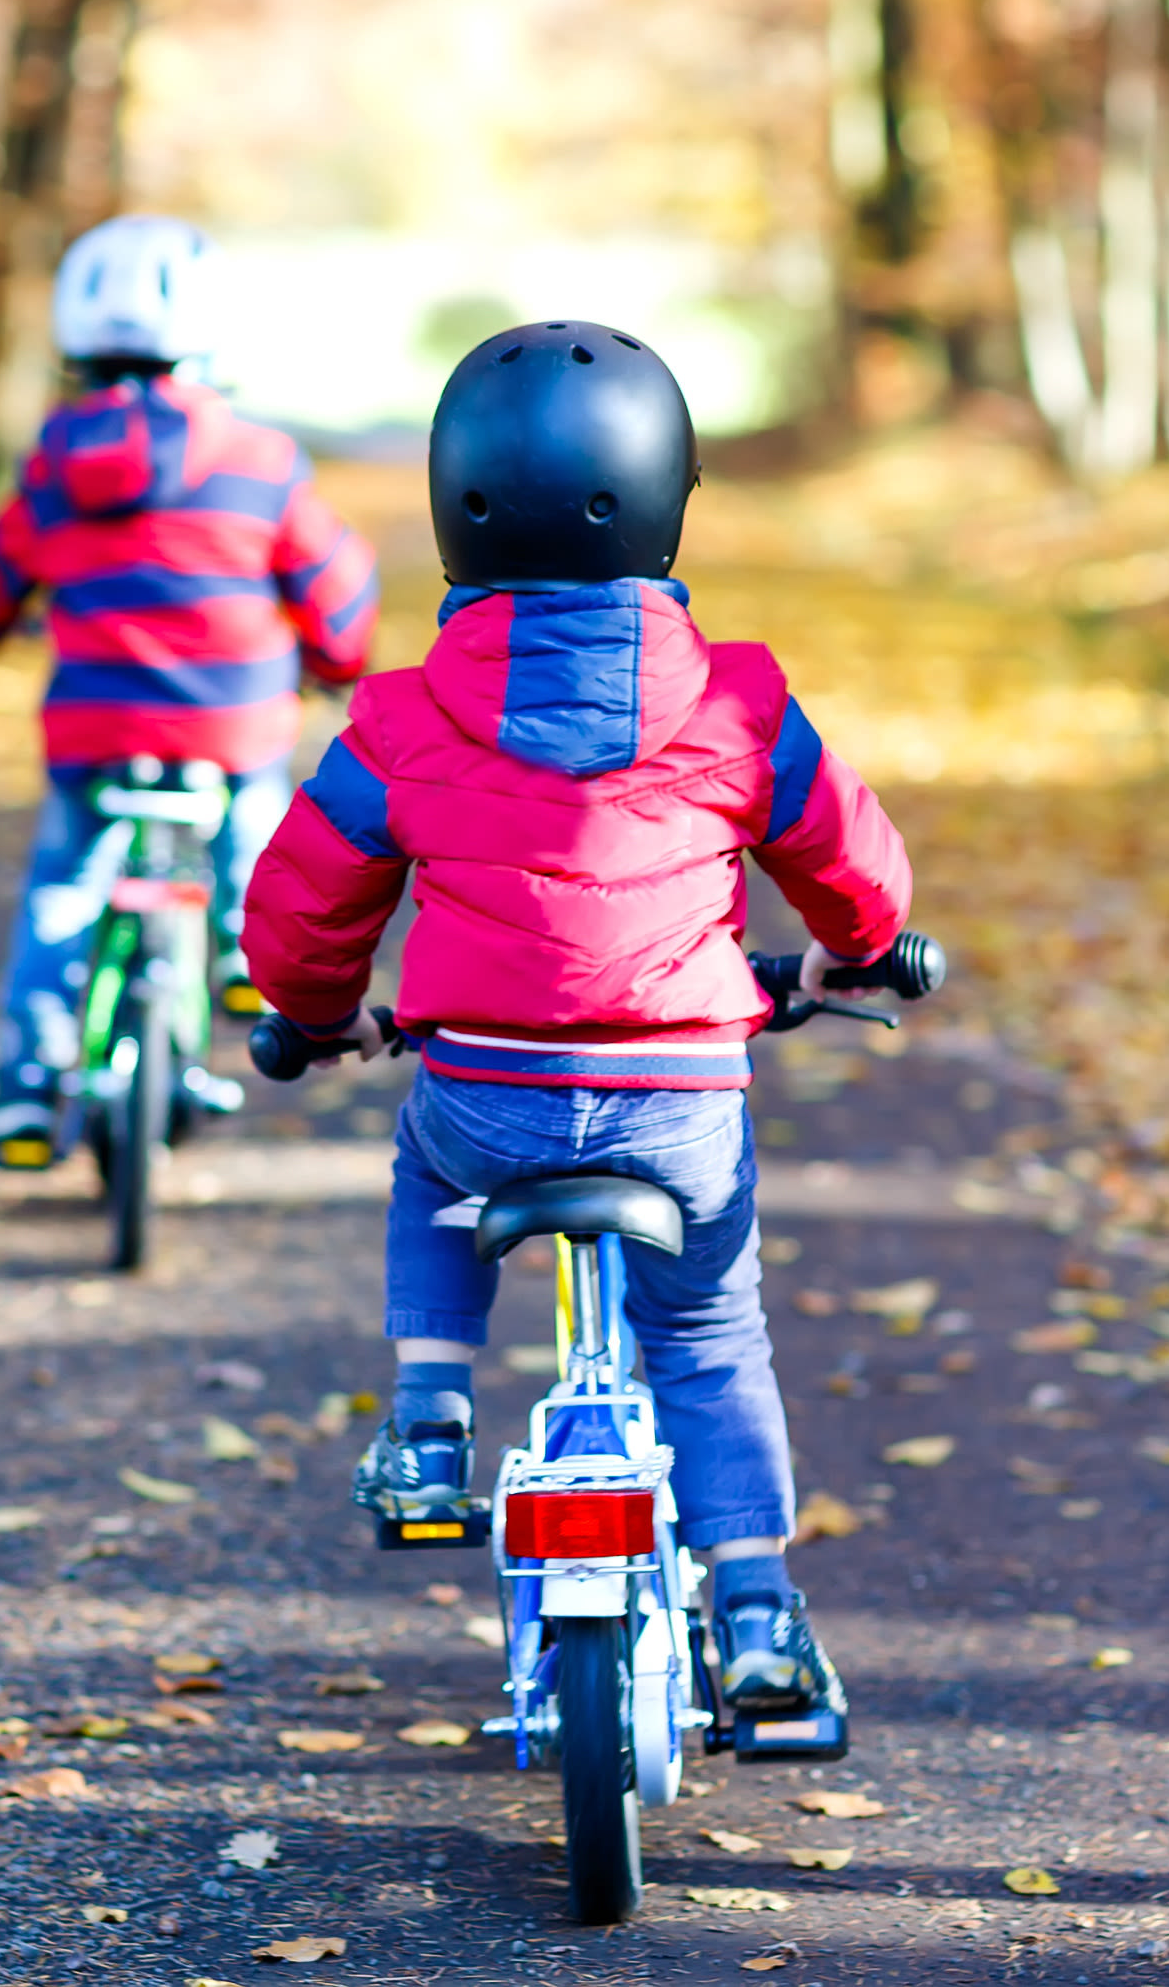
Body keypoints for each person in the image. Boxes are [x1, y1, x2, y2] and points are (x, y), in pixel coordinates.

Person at [237, 319, 910, 1730]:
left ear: (452, 508)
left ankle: (429, 1418)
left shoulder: (405, 720)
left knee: (430, 1153)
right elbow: (852, 865)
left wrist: (311, 1017)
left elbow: (304, 902)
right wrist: (867, 950)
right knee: (714, 1331)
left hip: (488, 1091)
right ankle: (759, 1607)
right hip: (679, 1106)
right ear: (668, 497)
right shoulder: (739, 700)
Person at [0, 214, 380, 1171]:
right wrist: (337, 659)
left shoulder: (53, 462)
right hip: (231, 721)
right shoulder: (259, 458)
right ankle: (246, 948)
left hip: (94, 730)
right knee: (257, 809)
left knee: (63, 895)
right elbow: (336, 590)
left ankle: (28, 1080)